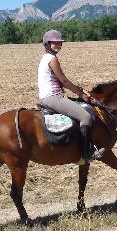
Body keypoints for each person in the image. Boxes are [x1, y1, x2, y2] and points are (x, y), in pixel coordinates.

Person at [37, 29, 104, 161]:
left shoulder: (45, 58)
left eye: (60, 43)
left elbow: (60, 81)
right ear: (47, 44)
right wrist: (80, 93)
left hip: (48, 97)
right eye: (55, 43)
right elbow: (64, 81)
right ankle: (87, 152)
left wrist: (80, 89)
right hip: (53, 98)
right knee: (85, 116)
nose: (59, 45)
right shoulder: (52, 59)